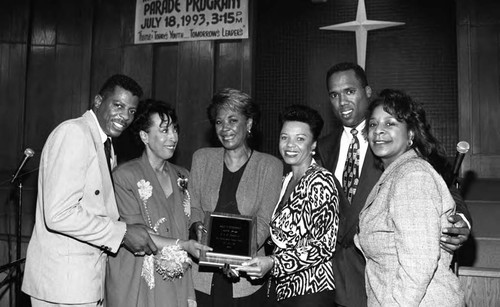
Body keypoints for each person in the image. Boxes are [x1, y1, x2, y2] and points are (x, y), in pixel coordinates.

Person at [315, 62, 471, 306]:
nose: (342, 102)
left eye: (349, 92)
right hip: (337, 281)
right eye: (334, 95)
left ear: (367, 92)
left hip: (402, 289)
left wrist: (459, 220)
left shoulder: (409, 161)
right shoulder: (322, 147)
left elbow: (444, 188)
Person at [22, 74, 158, 306]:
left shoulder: (106, 144)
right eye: (118, 105)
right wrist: (123, 233)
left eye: (131, 111)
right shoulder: (74, 133)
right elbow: (59, 214)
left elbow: (97, 210)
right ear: (97, 101)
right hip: (63, 286)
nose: (125, 116)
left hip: (86, 282)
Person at [354, 89, 465, 305]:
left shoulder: (413, 176)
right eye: (373, 124)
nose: (379, 131)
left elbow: (418, 265)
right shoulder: (394, 174)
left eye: (390, 123)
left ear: (411, 134)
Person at [106, 99, 211, 307]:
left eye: (174, 130)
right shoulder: (124, 176)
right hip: (138, 278)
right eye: (164, 131)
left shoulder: (184, 176)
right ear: (144, 136)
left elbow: (195, 217)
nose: (173, 137)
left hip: (177, 278)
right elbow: (139, 236)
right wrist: (185, 245)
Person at [189, 88, 283, 306]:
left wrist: (238, 258)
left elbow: (264, 221)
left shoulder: (270, 166)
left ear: (248, 124)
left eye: (233, 120)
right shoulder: (201, 158)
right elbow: (194, 208)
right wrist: (196, 226)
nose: (225, 128)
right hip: (202, 277)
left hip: (245, 280)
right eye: (219, 122)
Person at [238, 105, 339, 306]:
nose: (290, 145)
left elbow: (324, 246)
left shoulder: (320, 180)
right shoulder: (287, 180)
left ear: (313, 145)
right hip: (285, 290)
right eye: (285, 137)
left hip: (311, 289)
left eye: (300, 139)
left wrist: (274, 263)